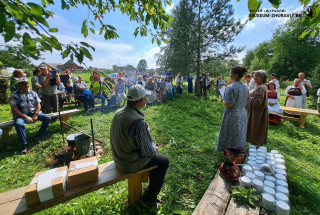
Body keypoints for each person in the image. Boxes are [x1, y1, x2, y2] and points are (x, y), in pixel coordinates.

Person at [110, 85, 169, 209]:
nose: (146, 100)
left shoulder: (119, 112)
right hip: (128, 163)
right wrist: (154, 148)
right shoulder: (138, 122)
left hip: (118, 158)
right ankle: (148, 199)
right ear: (142, 100)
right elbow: (148, 152)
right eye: (145, 98)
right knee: (163, 161)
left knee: (156, 157)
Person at [9, 77, 51, 154]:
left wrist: (35, 114)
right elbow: (14, 109)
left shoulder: (33, 93)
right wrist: (25, 117)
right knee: (19, 124)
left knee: (47, 118)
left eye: (27, 84)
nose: (26, 85)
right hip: (20, 115)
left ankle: (39, 136)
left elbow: (38, 105)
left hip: (32, 113)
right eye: (23, 84)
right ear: (19, 85)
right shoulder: (14, 95)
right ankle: (24, 145)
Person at [216, 66, 249, 151]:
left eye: (230, 73)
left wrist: (223, 100)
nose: (230, 75)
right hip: (243, 112)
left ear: (234, 75)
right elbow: (247, 100)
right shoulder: (245, 86)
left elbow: (229, 104)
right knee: (240, 134)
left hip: (233, 114)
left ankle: (230, 152)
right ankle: (239, 151)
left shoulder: (231, 87)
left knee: (231, 134)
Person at [247, 70, 269, 146]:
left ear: (263, 78)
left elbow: (257, 102)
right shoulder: (258, 86)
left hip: (257, 113)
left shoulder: (261, 88)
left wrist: (246, 97)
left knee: (256, 129)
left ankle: (256, 147)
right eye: (254, 77)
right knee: (254, 129)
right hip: (254, 112)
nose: (255, 78)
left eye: (257, 77)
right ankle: (254, 145)